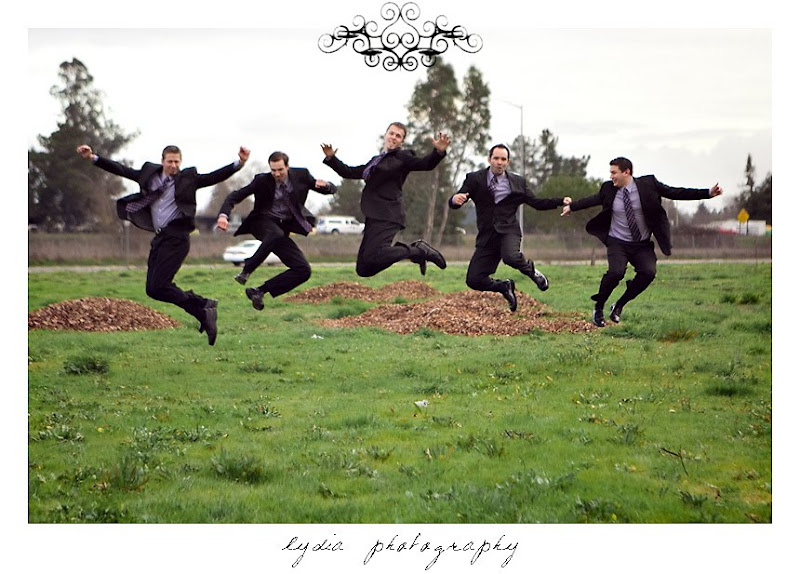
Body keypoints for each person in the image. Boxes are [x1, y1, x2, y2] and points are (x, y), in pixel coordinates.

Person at [76, 143, 250, 345]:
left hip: (177, 238)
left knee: (160, 285)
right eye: (170, 162)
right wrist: (93, 158)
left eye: (177, 162)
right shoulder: (149, 175)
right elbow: (121, 169)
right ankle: (203, 310)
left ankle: (203, 306)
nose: (174, 165)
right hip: (160, 238)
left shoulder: (188, 179)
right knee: (152, 289)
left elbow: (213, 177)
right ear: (162, 161)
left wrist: (239, 163)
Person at [561, 156, 723, 327]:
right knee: (616, 272)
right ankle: (598, 308)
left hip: (641, 244)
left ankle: (619, 305)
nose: (611, 176)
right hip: (618, 242)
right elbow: (592, 200)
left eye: (614, 173)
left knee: (648, 273)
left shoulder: (649, 184)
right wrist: (572, 207)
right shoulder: (608, 189)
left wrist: (707, 193)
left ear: (626, 172)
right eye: (610, 173)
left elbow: (676, 192)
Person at [448, 144, 570, 312]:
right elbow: (458, 198)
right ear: (489, 159)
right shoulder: (475, 179)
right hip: (487, 236)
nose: (499, 162)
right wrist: (455, 200)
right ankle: (504, 287)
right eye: (496, 158)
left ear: (508, 162)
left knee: (511, 257)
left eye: (503, 159)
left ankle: (533, 273)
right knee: (474, 280)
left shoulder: (518, 182)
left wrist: (560, 201)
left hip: (509, 231)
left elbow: (537, 203)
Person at [320, 122, 451, 277]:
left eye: (398, 136)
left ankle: (418, 251)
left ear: (402, 141)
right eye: (391, 133)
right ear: (386, 134)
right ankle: (416, 251)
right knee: (363, 268)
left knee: (375, 255)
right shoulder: (376, 160)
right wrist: (331, 158)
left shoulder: (403, 157)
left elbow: (425, 164)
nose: (393, 138)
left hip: (389, 214)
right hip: (373, 215)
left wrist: (438, 152)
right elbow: (349, 172)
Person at [216, 151, 337, 311]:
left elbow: (331, 190)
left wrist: (327, 186)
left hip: (282, 228)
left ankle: (259, 291)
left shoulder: (302, 175)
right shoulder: (262, 180)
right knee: (275, 234)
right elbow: (234, 196)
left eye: (280, 170)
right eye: (273, 170)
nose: (277, 174)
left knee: (303, 270)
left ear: (287, 166)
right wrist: (224, 216)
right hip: (262, 222)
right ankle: (247, 270)